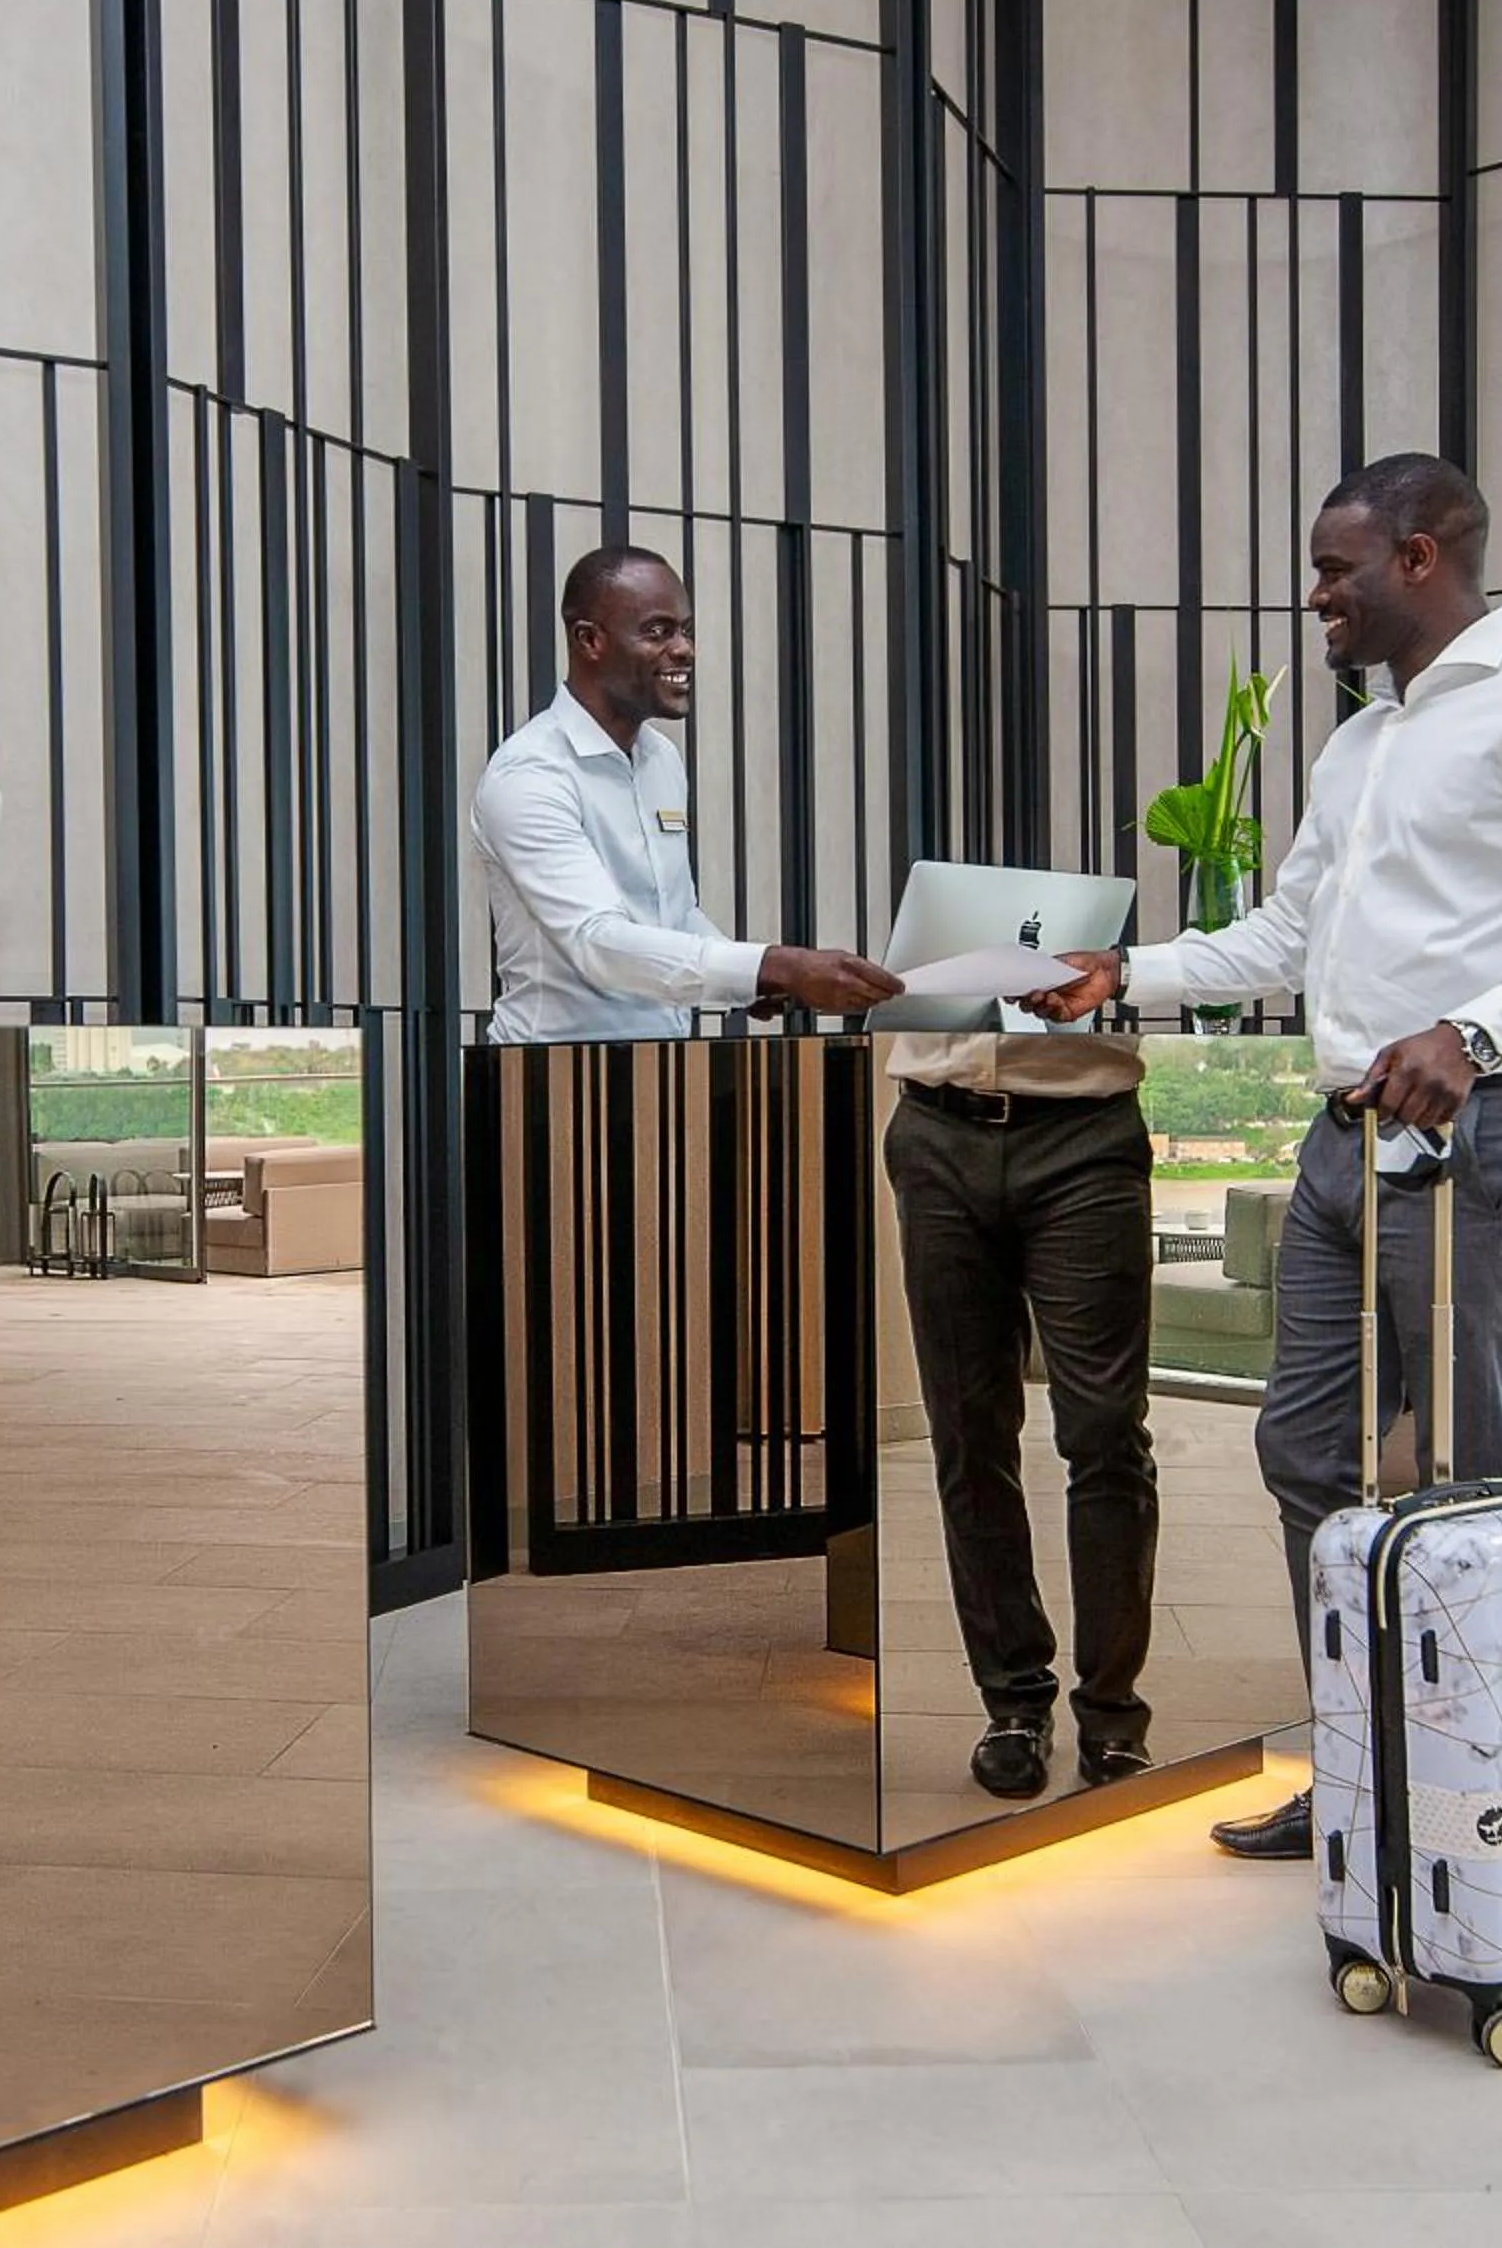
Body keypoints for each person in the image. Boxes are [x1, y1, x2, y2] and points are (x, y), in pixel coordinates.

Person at [1023, 452, 1502, 1861]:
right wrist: (1121, 972)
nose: (1317, 594)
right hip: (1346, 1144)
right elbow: (1284, 933)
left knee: (1473, 1477)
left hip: (1493, 1133)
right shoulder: (1361, 742)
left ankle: (1497, 1814)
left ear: (1423, 556)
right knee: (1305, 1449)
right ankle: (1367, 1771)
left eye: (1337, 569)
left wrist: (1477, 1031)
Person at [885, 1015, 1159, 1800]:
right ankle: (1012, 1702)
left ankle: (1110, 1710)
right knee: (968, 1433)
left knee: (1104, 1429)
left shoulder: (1109, 879)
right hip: (936, 1129)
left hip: (1086, 1134)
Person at [470, 546, 899, 1042]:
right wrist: (774, 966)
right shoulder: (530, 775)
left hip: (663, 1069)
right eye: (658, 632)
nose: (685, 650)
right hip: (548, 1080)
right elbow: (598, 944)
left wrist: (755, 981)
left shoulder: (661, 761)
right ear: (589, 640)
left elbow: (674, 915)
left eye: (687, 630)